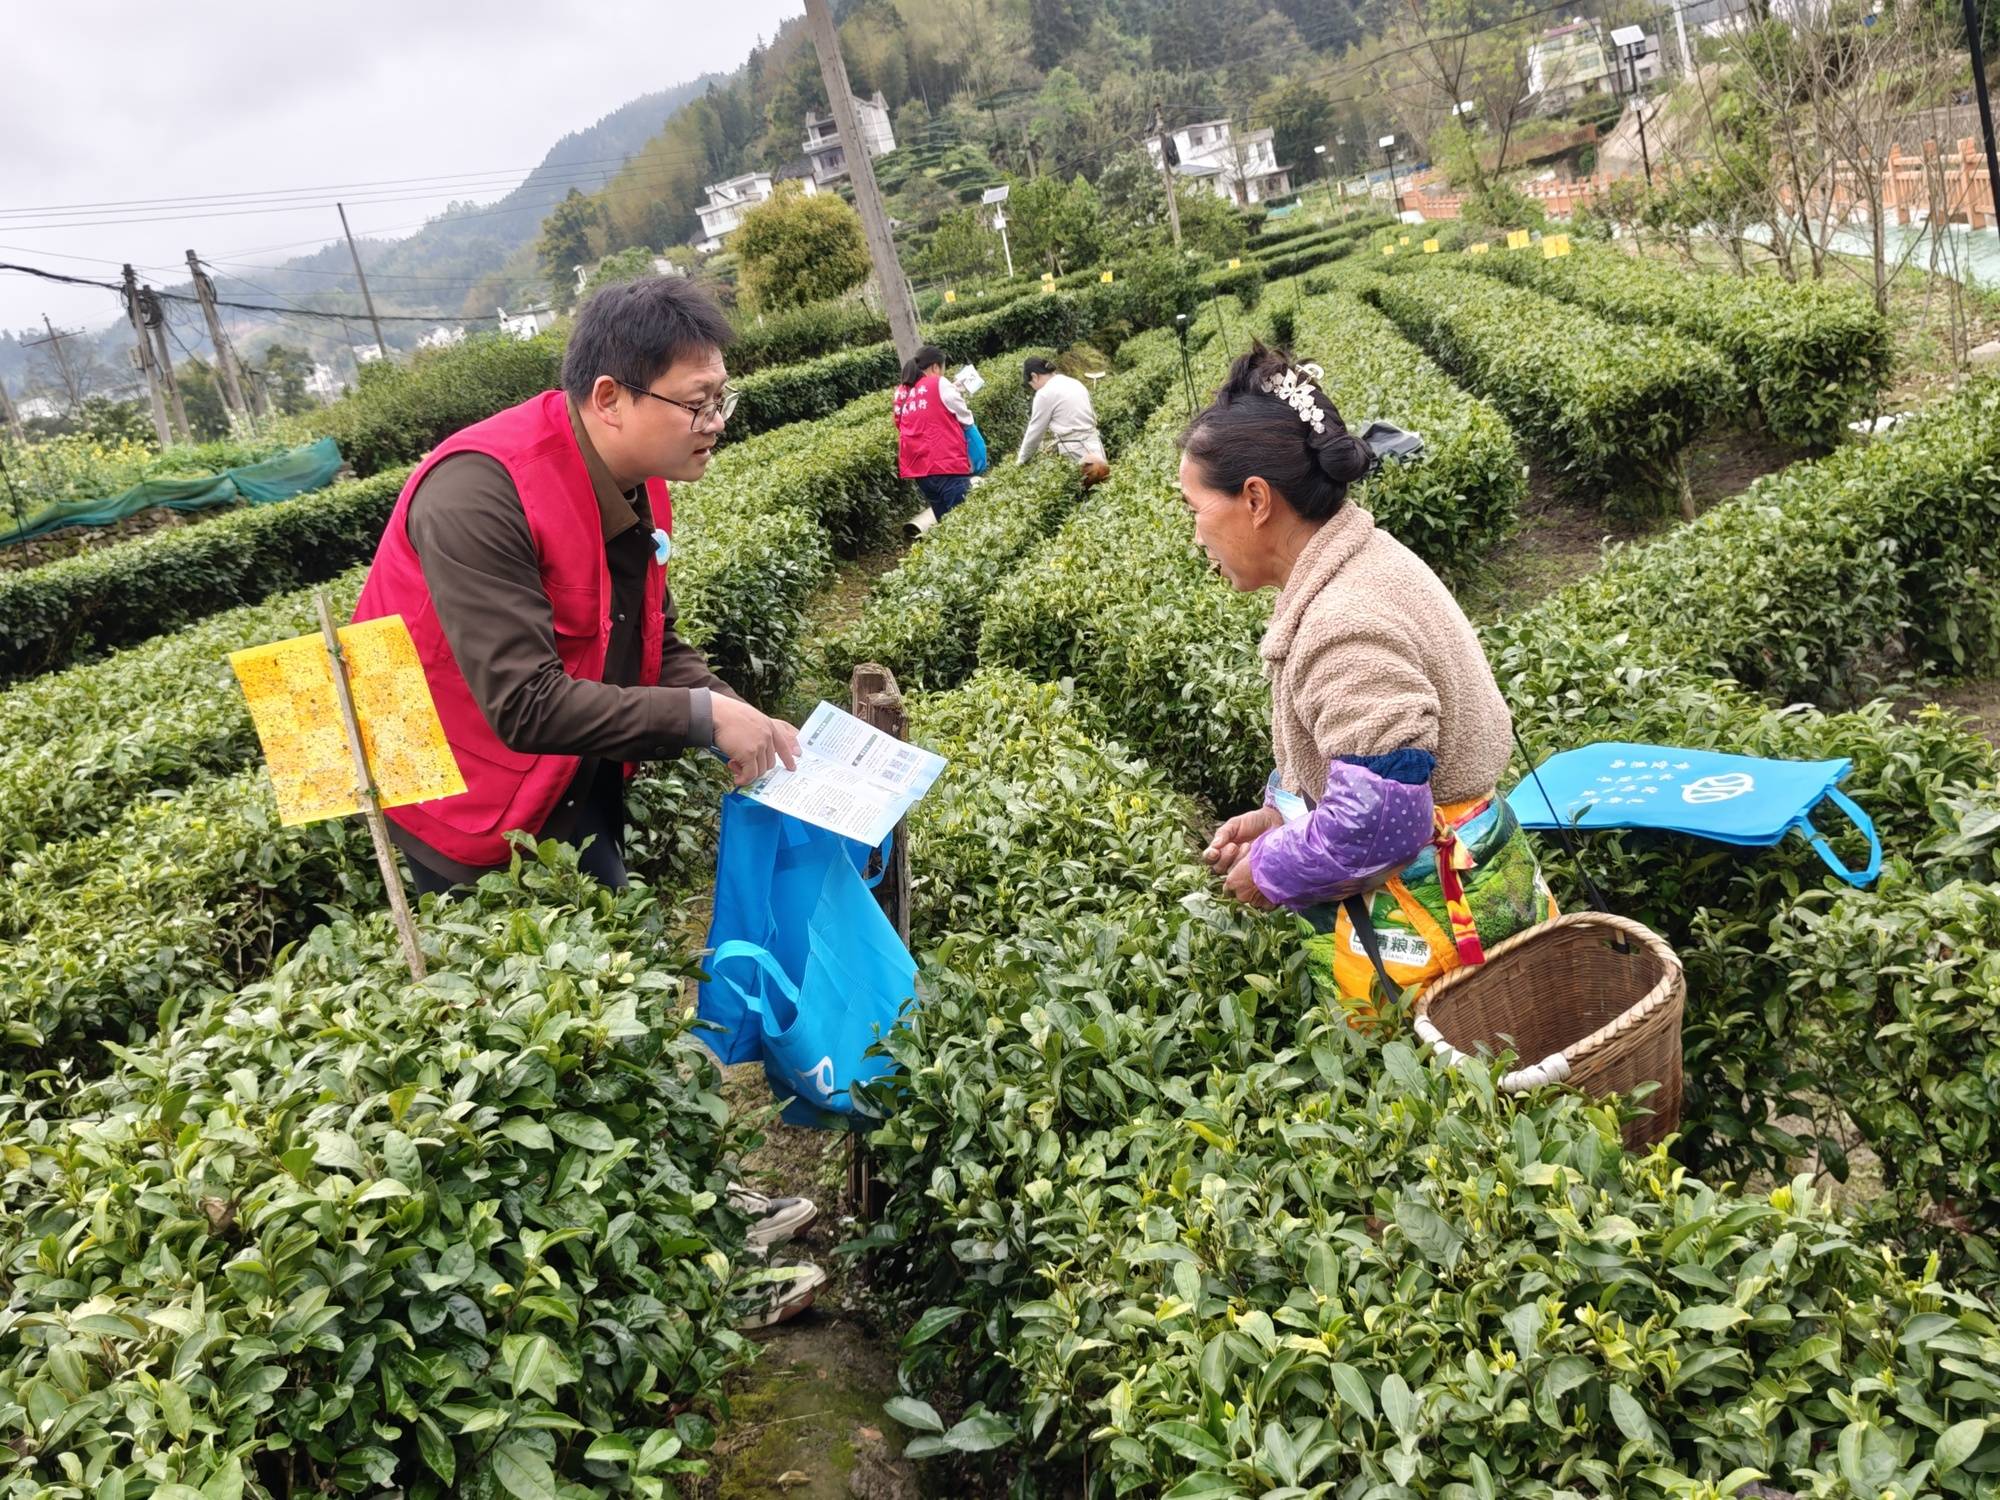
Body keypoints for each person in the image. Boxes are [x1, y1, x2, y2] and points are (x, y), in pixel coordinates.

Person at [351, 276, 821, 1323]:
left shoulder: (632, 483)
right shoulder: (476, 493)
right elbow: (522, 702)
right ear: (610, 397)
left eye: (722, 398)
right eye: (696, 402)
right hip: (467, 804)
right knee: (568, 1045)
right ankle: (684, 1276)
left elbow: (647, 641)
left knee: (623, 1005)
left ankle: (699, 1213)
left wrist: (727, 705)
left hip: (568, 779)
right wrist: (701, 721)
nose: (715, 422)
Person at [1187, 343, 1555, 1028]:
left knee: (1475, 1075)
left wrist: (1269, 868)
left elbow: (1380, 823)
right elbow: (1363, 762)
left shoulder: (1344, 622)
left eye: (1195, 510)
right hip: (1476, 897)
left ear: (1256, 500)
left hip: (1445, 934)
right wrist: (1283, 814)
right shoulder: (1360, 560)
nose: (1197, 536)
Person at [893, 344, 976, 525]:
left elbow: (901, 423)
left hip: (920, 471)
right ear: (935, 367)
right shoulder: (939, 383)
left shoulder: (901, 392)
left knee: (945, 523)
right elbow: (964, 417)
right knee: (964, 523)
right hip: (947, 465)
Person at [1017, 355, 1109, 484]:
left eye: (1031, 384)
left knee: (1080, 490)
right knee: (1103, 484)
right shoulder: (1074, 382)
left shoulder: (1044, 393)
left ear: (1034, 376)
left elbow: (1035, 432)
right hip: (1094, 443)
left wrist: (1021, 461)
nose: (1034, 388)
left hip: (1075, 449)